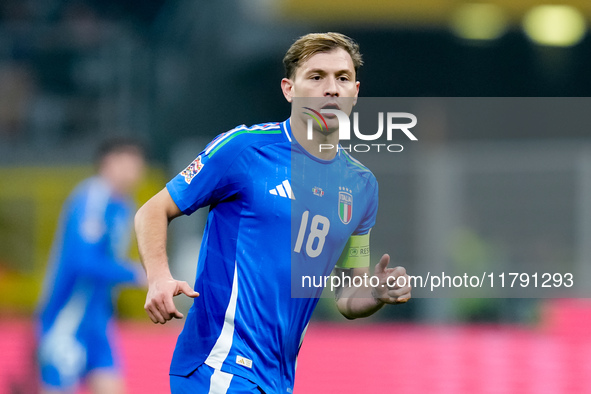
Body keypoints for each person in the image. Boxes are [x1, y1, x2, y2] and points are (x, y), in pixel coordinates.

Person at [135, 32, 412, 393]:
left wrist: (375, 293)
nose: (331, 88)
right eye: (316, 77)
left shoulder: (361, 186)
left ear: (355, 92)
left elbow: (347, 294)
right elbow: (153, 210)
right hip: (219, 365)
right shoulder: (246, 149)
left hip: (278, 378)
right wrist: (158, 276)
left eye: (342, 78)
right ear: (289, 89)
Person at [37, 139, 147, 394]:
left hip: (98, 320)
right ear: (109, 162)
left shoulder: (124, 205)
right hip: (68, 316)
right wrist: (134, 274)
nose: (136, 170)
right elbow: (82, 262)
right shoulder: (92, 197)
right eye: (130, 162)